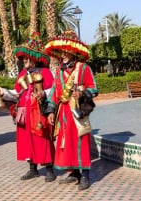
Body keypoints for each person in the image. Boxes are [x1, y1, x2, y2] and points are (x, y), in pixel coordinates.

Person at [0, 32, 56, 182]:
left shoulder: (46, 73)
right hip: (24, 113)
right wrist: (3, 92)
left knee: (42, 139)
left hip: (39, 112)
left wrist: (42, 94)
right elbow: (17, 93)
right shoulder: (23, 73)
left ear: (35, 58)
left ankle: (49, 169)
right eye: (23, 58)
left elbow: (52, 91)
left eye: (27, 58)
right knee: (27, 140)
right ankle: (32, 168)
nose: (24, 60)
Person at [44, 30, 98, 190]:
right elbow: (54, 92)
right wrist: (51, 111)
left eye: (66, 51)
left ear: (74, 51)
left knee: (82, 142)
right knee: (67, 143)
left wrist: (82, 92)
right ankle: (75, 172)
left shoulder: (84, 68)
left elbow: (94, 89)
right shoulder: (59, 71)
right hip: (64, 114)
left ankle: (86, 176)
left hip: (79, 112)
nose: (63, 54)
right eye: (62, 51)